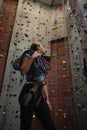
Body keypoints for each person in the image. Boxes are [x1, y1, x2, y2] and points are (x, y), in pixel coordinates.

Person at [19, 43, 56, 130]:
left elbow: (42, 82)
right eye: (42, 45)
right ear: (38, 47)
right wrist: (32, 57)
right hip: (29, 90)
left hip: (40, 93)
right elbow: (23, 71)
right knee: (25, 124)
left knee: (48, 123)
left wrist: (47, 100)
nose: (44, 47)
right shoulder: (28, 54)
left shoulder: (41, 63)